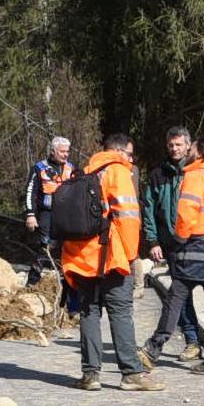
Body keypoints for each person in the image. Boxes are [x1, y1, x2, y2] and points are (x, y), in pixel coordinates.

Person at [59, 133, 164, 392]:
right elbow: (128, 218)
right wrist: (131, 257)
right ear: (119, 152)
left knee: (89, 313)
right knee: (120, 312)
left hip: (82, 257)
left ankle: (90, 375)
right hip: (112, 256)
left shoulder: (84, 172)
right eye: (130, 153)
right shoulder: (118, 172)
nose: (132, 159)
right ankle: (131, 373)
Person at [145, 135, 204, 375]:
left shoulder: (195, 176)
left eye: (191, 148)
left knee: (176, 297)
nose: (187, 151)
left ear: (200, 153)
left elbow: (186, 215)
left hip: (197, 246)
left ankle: (152, 350)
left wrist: (177, 241)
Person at [141, 125, 204, 359]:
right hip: (170, 243)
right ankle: (192, 341)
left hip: (196, 241)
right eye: (171, 145)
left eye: (179, 144)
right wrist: (153, 241)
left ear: (189, 145)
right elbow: (149, 209)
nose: (175, 149)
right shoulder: (158, 174)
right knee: (180, 292)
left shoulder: (197, 171)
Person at [23, 136, 76, 285]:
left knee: (65, 248)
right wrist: (30, 214)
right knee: (44, 247)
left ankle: (65, 284)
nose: (66, 154)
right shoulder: (39, 168)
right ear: (53, 151)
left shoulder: (71, 168)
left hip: (65, 216)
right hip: (46, 214)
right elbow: (30, 193)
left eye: (67, 151)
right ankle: (32, 283)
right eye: (62, 152)